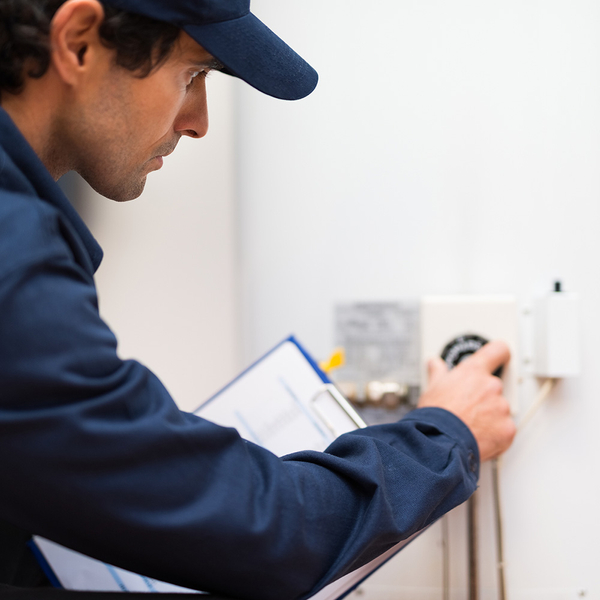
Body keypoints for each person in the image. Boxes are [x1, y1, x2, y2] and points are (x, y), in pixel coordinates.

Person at [0, 0, 516, 599]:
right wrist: (445, 436)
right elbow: (260, 527)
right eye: (192, 74)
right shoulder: (13, 253)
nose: (198, 121)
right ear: (80, 41)